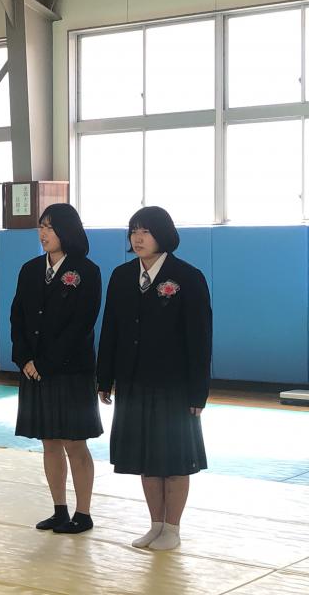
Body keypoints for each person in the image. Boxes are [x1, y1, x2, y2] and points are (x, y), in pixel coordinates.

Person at [97, 206, 211, 551]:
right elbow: (110, 329)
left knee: (174, 460)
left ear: (163, 235)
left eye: (145, 231)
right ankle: (156, 525)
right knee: (146, 458)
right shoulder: (121, 276)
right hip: (133, 380)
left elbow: (200, 338)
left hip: (174, 384)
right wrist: (104, 377)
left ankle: (172, 529)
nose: (138, 237)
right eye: (134, 230)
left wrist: (198, 392)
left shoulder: (187, 277)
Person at [10, 203, 103, 534]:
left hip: (70, 370)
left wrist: (46, 363)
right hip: (34, 369)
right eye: (41, 226)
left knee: (74, 442)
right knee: (49, 441)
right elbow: (17, 317)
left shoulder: (87, 271)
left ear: (67, 230)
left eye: (50, 227)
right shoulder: (30, 269)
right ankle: (59, 510)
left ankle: (84, 513)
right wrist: (24, 358)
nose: (43, 233)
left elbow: (81, 324)